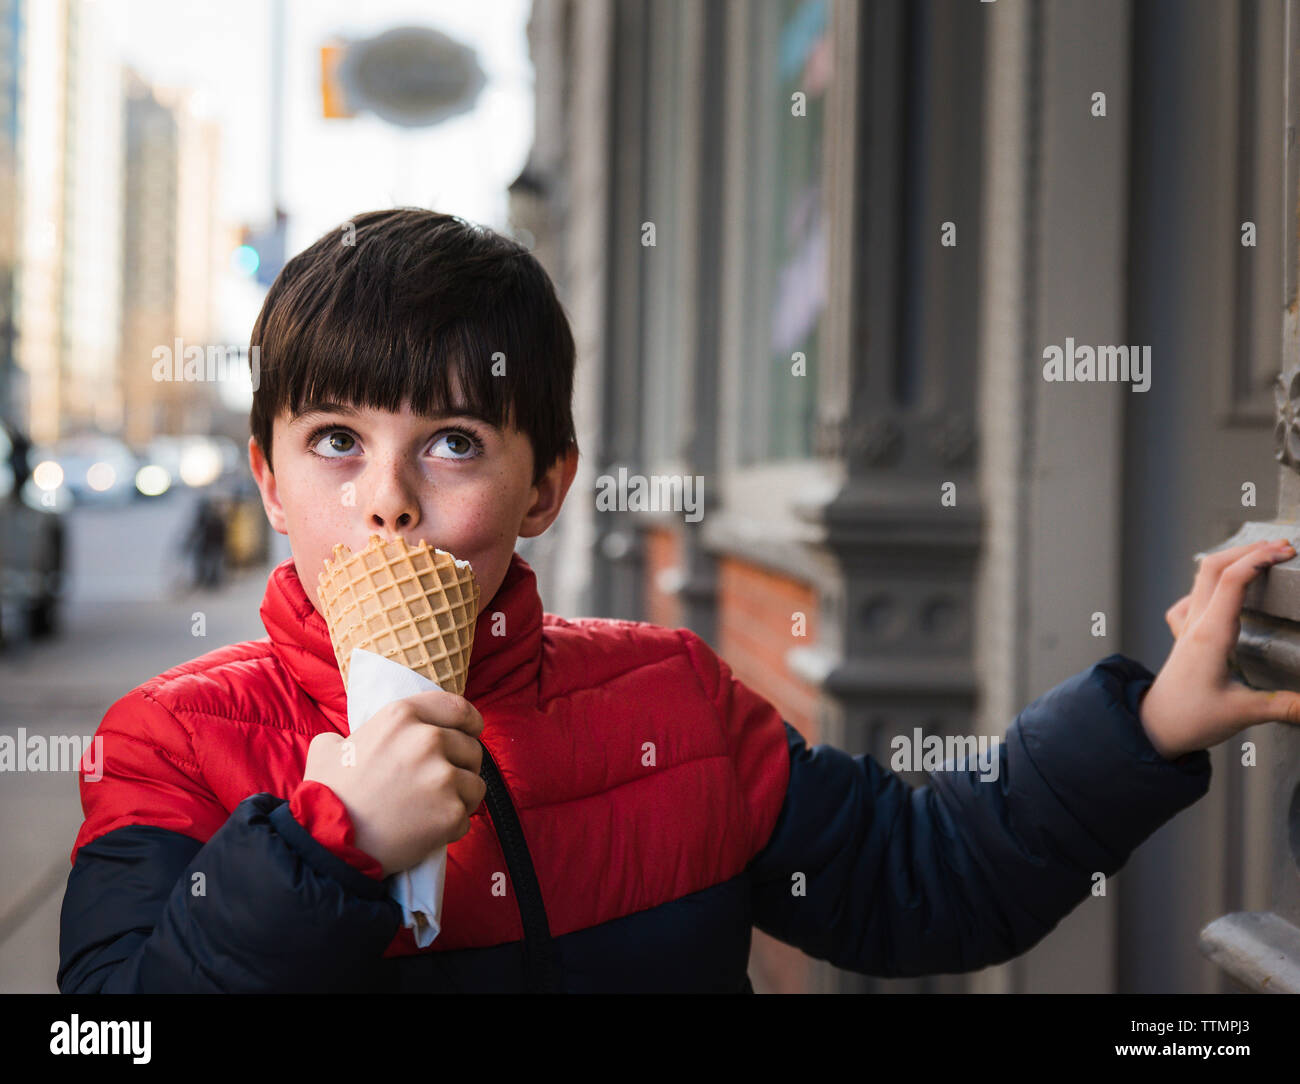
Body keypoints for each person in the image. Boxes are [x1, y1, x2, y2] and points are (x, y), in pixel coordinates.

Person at [56, 209, 1300, 993]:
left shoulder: (672, 699)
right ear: (267, 477)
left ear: (545, 484)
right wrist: (332, 848)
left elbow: (920, 882)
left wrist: (1141, 731)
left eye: (451, 443)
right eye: (334, 439)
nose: (386, 500)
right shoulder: (171, 744)